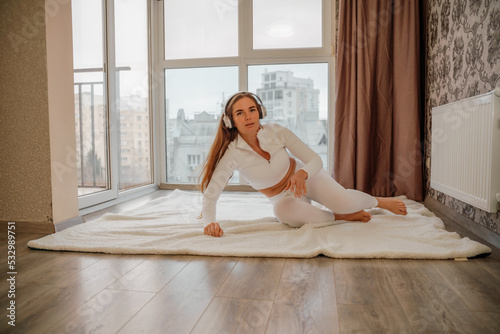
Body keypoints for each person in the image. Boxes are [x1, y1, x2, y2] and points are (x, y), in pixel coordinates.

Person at [199, 92, 407, 237]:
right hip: (281, 197)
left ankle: (377, 201)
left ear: (260, 112)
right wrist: (210, 223)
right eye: (240, 113)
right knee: (285, 215)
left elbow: (316, 159)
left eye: (252, 110)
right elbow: (211, 194)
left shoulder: (277, 131)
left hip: (307, 179)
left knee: (343, 200)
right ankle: (340, 216)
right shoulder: (232, 153)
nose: (248, 117)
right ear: (230, 121)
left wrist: (302, 174)